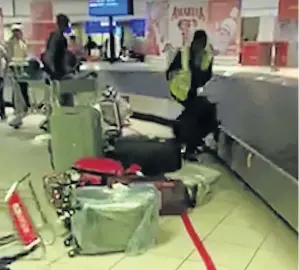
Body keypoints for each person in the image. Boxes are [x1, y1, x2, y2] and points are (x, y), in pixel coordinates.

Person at [166, 30, 214, 161]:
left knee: (205, 111)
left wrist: (199, 78)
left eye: (203, 43)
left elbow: (207, 75)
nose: (200, 46)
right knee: (196, 113)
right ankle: (190, 147)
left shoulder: (206, 56)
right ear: (193, 42)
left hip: (192, 91)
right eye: (198, 42)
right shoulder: (184, 54)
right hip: (180, 90)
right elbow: (169, 72)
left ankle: (183, 133)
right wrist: (177, 81)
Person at [7, 25, 30, 109]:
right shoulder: (10, 43)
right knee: (16, 87)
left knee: (24, 85)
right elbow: (9, 55)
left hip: (23, 67)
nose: (17, 33)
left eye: (18, 31)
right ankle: (16, 104)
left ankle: (26, 103)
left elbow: (25, 54)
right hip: (14, 67)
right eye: (15, 31)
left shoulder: (23, 42)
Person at [0, 42, 10, 120]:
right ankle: (2, 114)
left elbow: (7, 58)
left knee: (0, 95)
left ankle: (2, 113)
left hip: (0, 75)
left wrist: (5, 70)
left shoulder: (1, 48)